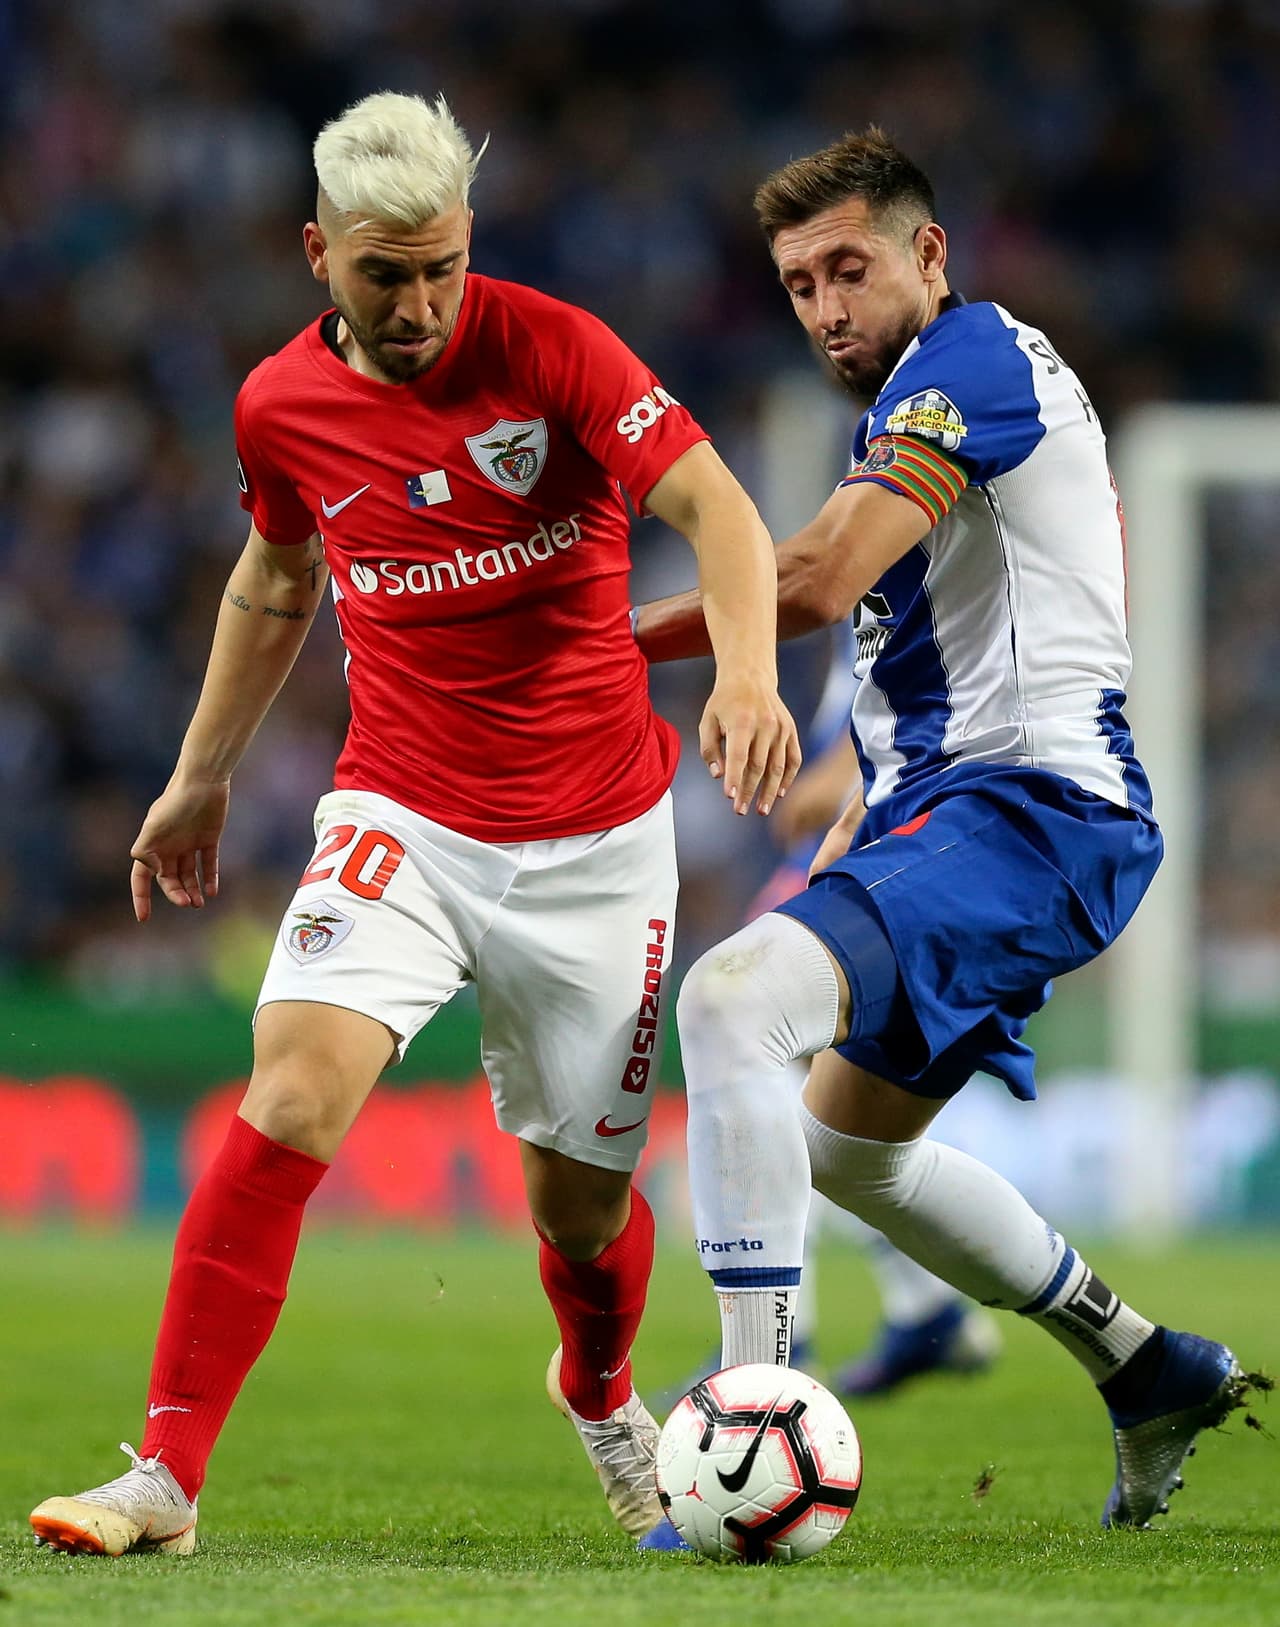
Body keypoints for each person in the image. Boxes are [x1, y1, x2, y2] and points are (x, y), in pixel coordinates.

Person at [28, 90, 799, 1558]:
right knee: (294, 1093)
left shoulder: (554, 347)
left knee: (580, 1214)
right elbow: (274, 579)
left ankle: (602, 1390)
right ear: (319, 253)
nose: (423, 302)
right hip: (404, 813)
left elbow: (721, 511)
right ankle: (166, 1474)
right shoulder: (277, 406)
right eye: (387, 273)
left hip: (595, 840)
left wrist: (750, 678)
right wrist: (200, 775)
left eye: (444, 264)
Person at [635, 127, 1253, 1529]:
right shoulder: (922, 399)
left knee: (731, 1001)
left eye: (848, 268)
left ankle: (750, 1417)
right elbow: (955, 629)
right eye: (797, 285)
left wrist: (594, 645)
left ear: (929, 254)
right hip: (959, 803)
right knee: (850, 1151)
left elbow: (808, 574)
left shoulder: (967, 365)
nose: (824, 307)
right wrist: (866, 768)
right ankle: (1148, 1361)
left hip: (1034, 810)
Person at [661, 632, 1002, 1405]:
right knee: (816, 1118)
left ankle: (790, 1335)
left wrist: (824, 782)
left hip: (867, 868)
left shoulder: (913, 587)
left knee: (760, 1075)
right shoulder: (871, 610)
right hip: (842, 868)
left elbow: (906, 718)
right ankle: (920, 1306)